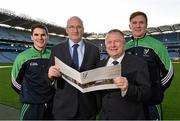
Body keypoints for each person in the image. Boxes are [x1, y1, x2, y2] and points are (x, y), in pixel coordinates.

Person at [48, 16, 100, 119]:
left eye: (78, 27)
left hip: (87, 109)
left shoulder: (94, 50)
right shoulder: (56, 49)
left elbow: (97, 77)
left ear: (83, 29)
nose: (75, 30)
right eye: (71, 27)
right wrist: (50, 75)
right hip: (63, 109)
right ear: (66, 29)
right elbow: (48, 77)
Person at [126, 11, 174, 120]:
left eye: (141, 22)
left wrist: (155, 90)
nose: (138, 26)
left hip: (151, 102)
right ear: (130, 25)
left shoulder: (157, 46)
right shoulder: (125, 47)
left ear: (146, 25)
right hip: (131, 101)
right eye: (134, 23)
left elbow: (169, 73)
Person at [98, 29, 152, 120]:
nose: (113, 45)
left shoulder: (138, 63)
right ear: (106, 46)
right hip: (105, 117)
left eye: (116, 41)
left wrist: (127, 88)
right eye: (109, 42)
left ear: (124, 44)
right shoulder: (99, 65)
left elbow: (146, 93)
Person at [11, 23, 55, 120]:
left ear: (47, 37)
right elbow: (14, 82)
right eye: (36, 35)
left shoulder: (53, 56)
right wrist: (29, 95)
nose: (40, 38)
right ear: (32, 37)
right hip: (31, 106)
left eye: (43, 35)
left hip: (51, 105)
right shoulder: (22, 57)